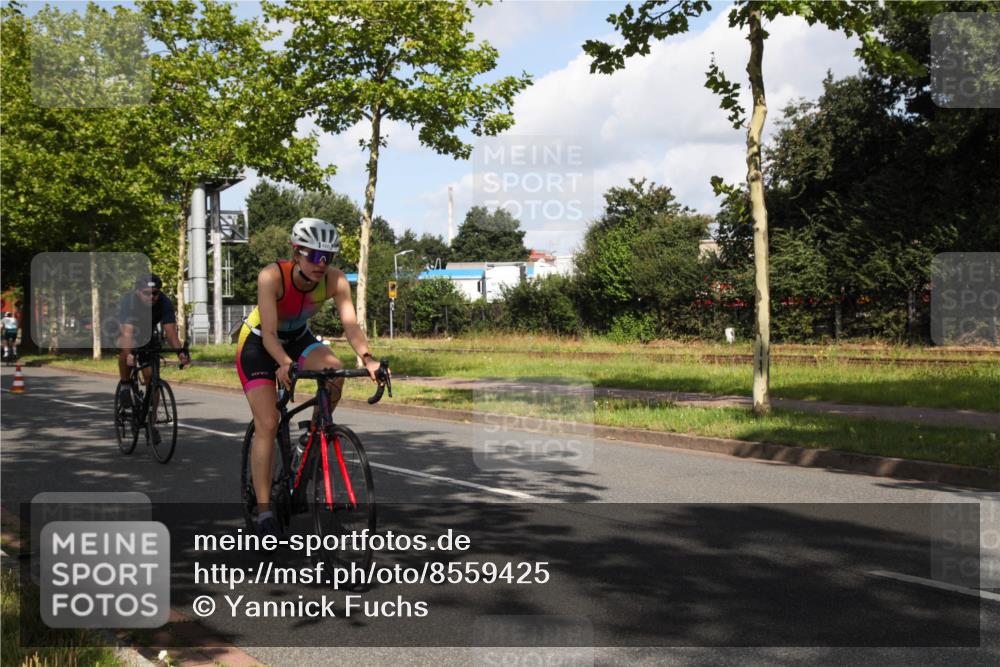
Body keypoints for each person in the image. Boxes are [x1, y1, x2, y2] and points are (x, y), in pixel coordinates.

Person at [237, 217, 381, 538]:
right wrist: (285, 363)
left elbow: (352, 326)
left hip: (299, 337)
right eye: (314, 255)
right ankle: (264, 512)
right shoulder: (272, 277)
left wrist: (369, 359)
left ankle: (313, 438)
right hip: (259, 342)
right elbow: (271, 334)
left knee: (334, 370)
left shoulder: (335, 280)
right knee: (269, 423)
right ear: (296, 252)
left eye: (327, 257)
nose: (321, 264)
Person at [116, 274, 190, 442]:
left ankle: (151, 422)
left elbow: (170, 332)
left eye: (155, 293)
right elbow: (127, 333)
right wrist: (129, 354)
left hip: (149, 335)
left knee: (152, 378)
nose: (151, 297)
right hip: (129, 331)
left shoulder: (164, 302)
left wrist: (180, 352)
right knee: (124, 349)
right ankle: (126, 385)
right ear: (137, 293)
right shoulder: (129, 301)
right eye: (147, 293)